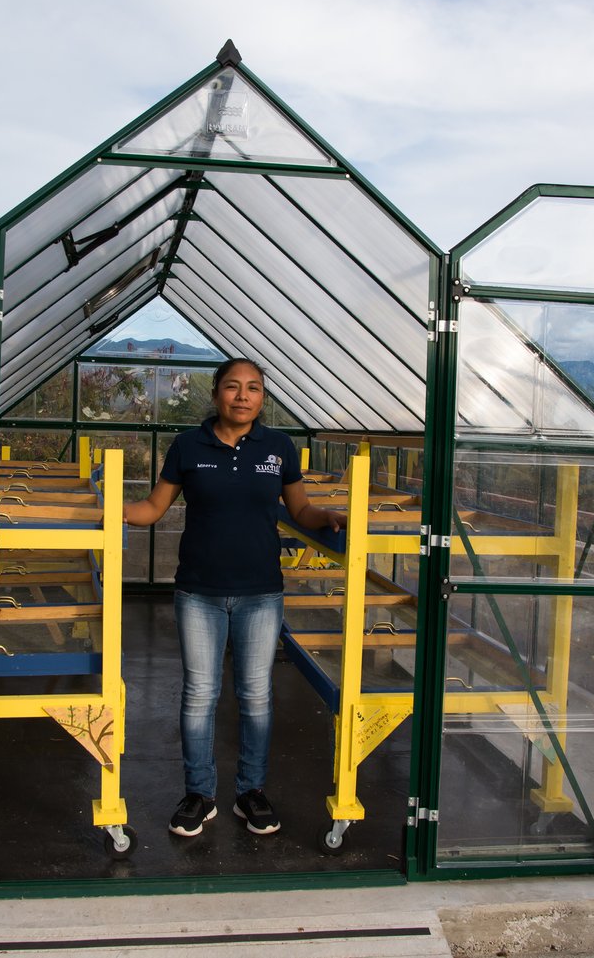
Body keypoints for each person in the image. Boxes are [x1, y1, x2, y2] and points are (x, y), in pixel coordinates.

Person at [123, 358, 346, 837]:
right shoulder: (188, 446)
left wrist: (328, 516)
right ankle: (199, 794)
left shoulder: (279, 447)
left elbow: (300, 508)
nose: (243, 396)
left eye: (254, 389)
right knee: (200, 694)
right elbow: (152, 507)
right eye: (233, 387)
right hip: (198, 592)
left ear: (262, 397)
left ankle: (251, 792)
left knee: (255, 695)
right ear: (216, 394)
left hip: (261, 594)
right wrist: (111, 511)